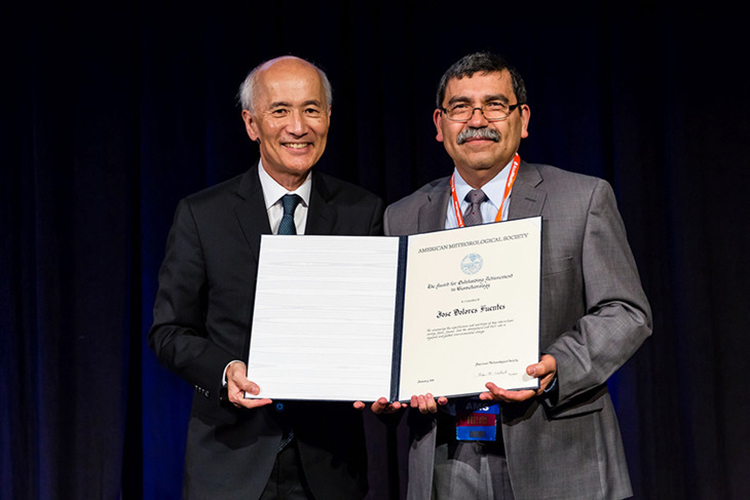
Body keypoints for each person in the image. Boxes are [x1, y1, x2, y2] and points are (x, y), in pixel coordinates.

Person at [374, 52, 652, 499]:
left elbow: (625, 312)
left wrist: (555, 367)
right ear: (439, 123)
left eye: (495, 105)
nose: (477, 119)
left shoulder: (582, 198)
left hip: (559, 453)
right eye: (460, 107)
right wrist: (399, 384)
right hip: (446, 458)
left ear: (522, 120)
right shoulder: (403, 216)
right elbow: (395, 332)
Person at [149, 56, 384, 500]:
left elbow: (372, 326)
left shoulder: (363, 211)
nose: (298, 126)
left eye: (312, 109)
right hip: (230, 465)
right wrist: (224, 371)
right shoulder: (203, 215)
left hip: (331, 467)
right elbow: (168, 331)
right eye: (280, 111)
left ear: (329, 118)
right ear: (251, 123)